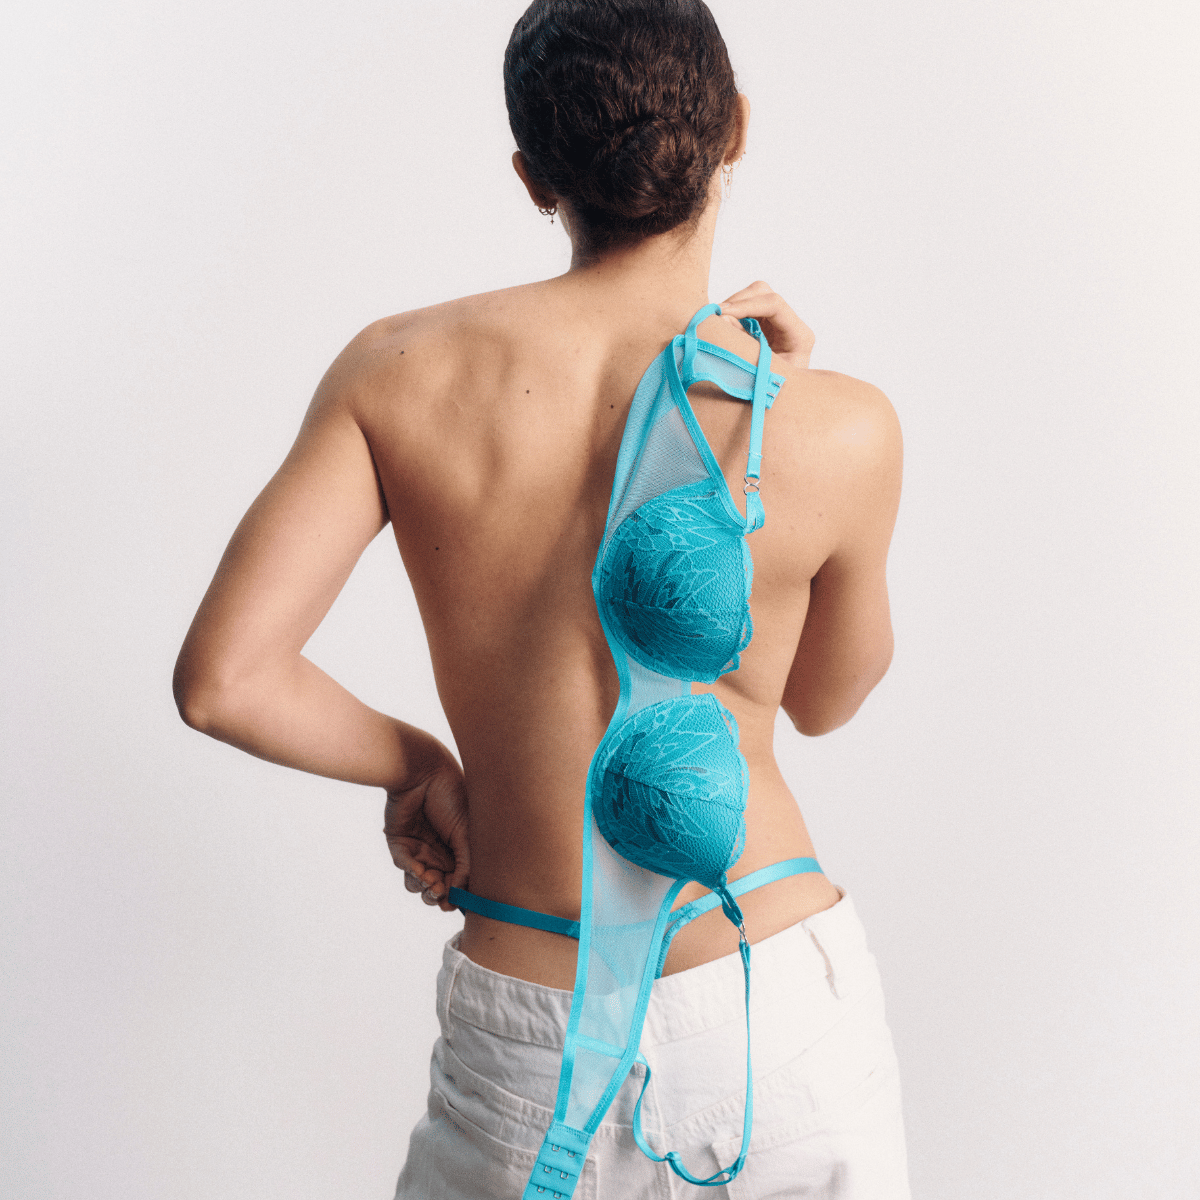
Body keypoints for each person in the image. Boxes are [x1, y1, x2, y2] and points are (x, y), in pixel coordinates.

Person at [173, 1, 908, 1195]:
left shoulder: (396, 374)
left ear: (532, 176)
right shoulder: (838, 425)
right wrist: (793, 414)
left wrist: (417, 763)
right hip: (765, 998)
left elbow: (225, 681)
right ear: (736, 129)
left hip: (530, 1020)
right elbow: (828, 698)